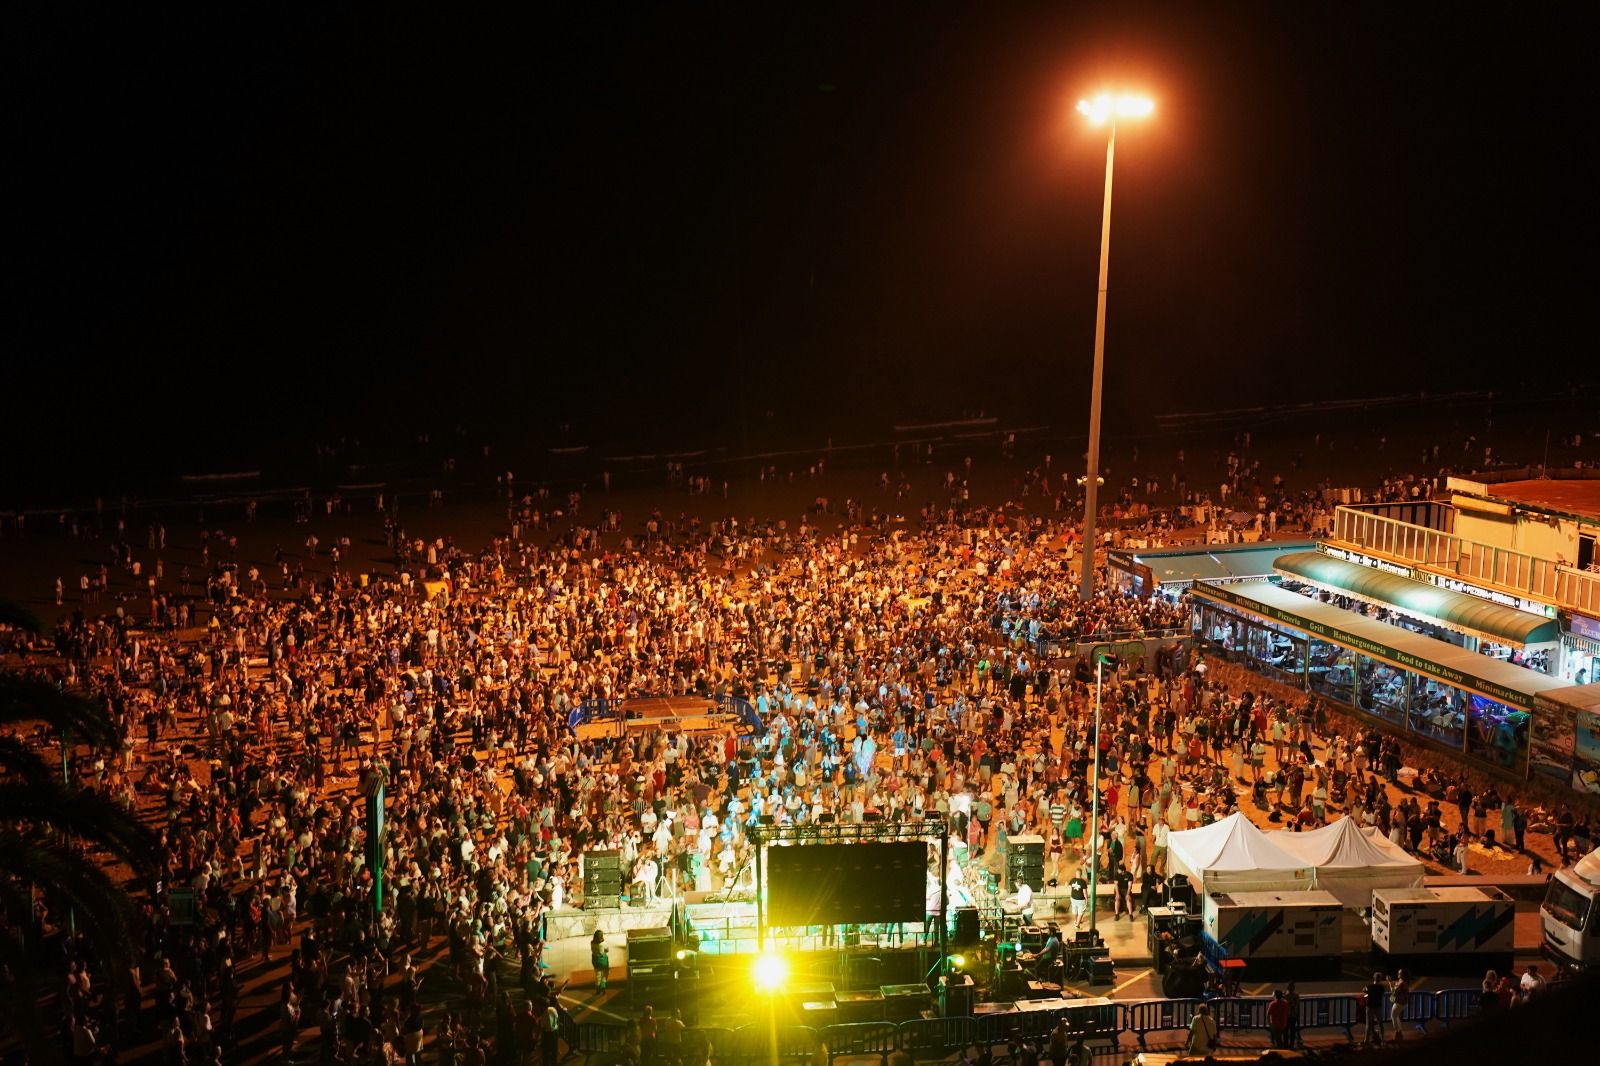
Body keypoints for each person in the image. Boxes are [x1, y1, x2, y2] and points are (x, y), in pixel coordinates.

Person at [1363, 971, 1387, 1046]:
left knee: (1368, 1024)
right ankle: (1383, 1039)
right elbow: (1382, 993)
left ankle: (1366, 1040)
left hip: (1369, 1006)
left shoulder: (1368, 986)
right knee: (1380, 1023)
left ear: (1374, 978)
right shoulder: (1382, 987)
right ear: (1380, 979)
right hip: (1378, 1006)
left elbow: (1364, 990)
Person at [1388, 969, 1409, 1041]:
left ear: (1402, 975)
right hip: (1402, 1002)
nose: (1398, 974)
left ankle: (1398, 1032)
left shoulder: (1401, 983)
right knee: (1396, 1016)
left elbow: (1393, 992)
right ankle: (1399, 1032)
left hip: (1399, 1002)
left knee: (1393, 1016)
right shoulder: (1402, 982)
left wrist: (1390, 983)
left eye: (1399, 973)